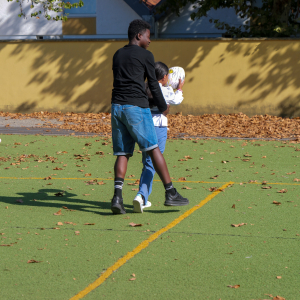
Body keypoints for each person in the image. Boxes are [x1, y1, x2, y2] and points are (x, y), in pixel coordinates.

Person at [110, 19, 189, 214]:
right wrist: (162, 107)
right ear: (139, 36)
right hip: (135, 107)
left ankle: (117, 197)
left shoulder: (117, 54)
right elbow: (153, 85)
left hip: (116, 107)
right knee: (153, 149)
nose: (150, 40)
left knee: (122, 153)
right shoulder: (146, 55)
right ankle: (170, 193)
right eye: (148, 35)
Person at [133, 62, 184, 213]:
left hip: (144, 126)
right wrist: (180, 88)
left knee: (147, 162)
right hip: (159, 127)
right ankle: (141, 197)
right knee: (152, 163)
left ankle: (144, 198)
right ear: (163, 77)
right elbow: (177, 100)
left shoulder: (144, 87)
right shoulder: (166, 90)